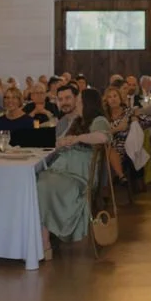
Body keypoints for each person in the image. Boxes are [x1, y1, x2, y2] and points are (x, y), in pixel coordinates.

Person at [37, 88, 113, 257]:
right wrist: (63, 142)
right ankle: (42, 238)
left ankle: (45, 241)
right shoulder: (78, 121)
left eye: (79, 102)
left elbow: (103, 137)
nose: (77, 105)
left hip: (79, 175)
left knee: (42, 185)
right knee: (37, 180)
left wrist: (78, 138)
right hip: (64, 170)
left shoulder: (98, 120)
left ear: (88, 104)